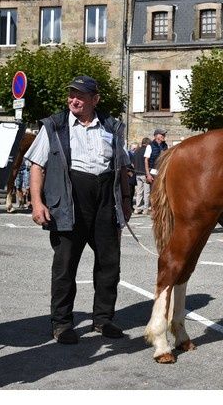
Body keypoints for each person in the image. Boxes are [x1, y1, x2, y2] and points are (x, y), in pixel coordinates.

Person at [25, 75, 131, 344]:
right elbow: (37, 166)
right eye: (71, 94)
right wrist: (37, 203)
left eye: (80, 96)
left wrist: (126, 202)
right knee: (65, 266)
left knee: (109, 264)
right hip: (70, 199)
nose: (74, 99)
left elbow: (123, 167)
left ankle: (103, 319)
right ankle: (62, 323)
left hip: (105, 198)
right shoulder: (54, 126)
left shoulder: (111, 126)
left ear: (94, 100)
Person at [132, 137, 151, 214]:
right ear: (147, 143)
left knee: (139, 192)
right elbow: (147, 161)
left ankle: (138, 208)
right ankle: (145, 209)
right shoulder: (147, 150)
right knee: (146, 192)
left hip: (137, 173)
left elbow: (133, 163)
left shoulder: (136, 151)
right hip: (145, 173)